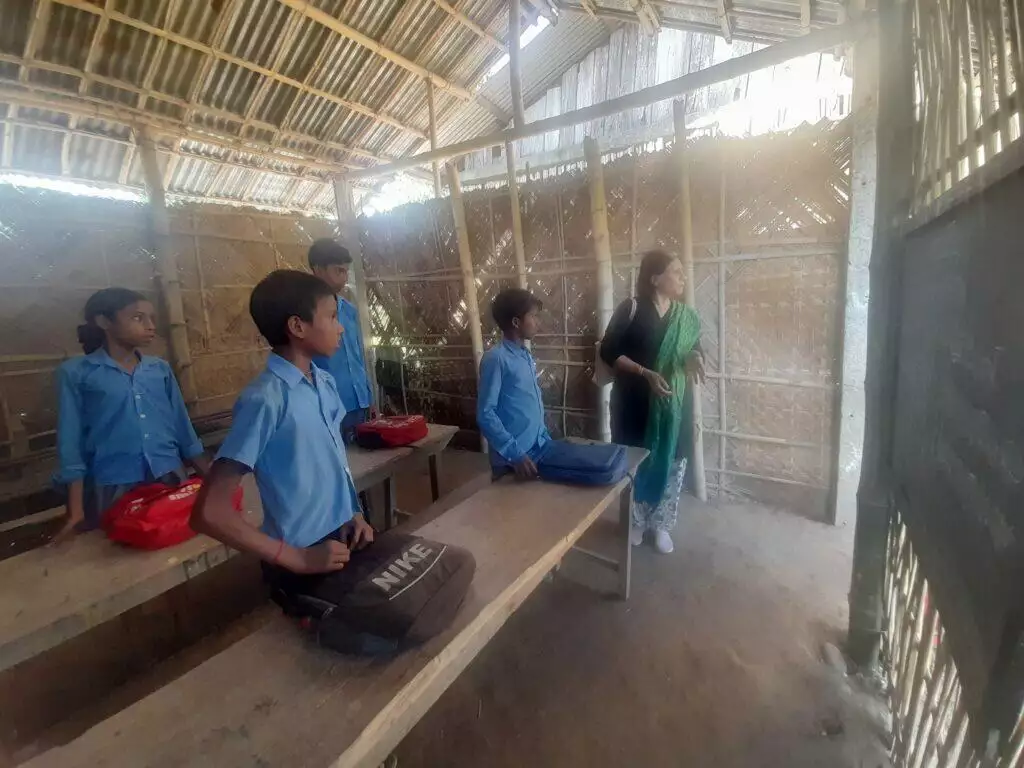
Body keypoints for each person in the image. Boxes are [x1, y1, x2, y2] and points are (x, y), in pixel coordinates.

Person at [191, 269, 374, 585]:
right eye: (331, 317)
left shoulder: (325, 383)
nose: (341, 327)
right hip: (300, 556)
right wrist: (297, 559)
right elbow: (210, 512)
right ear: (297, 326)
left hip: (342, 536)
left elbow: (334, 463)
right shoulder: (264, 400)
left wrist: (353, 513)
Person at [53, 287, 210, 543]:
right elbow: (70, 443)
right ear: (104, 322)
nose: (150, 326)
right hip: (114, 484)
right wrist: (76, 509)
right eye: (138, 318)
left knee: (174, 539)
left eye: (151, 318)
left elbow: (183, 428)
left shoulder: (158, 369)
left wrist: (209, 480)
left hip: (169, 476)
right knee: (125, 548)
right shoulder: (76, 374)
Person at [598, 250, 705, 555]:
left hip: (673, 407)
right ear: (655, 278)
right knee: (636, 461)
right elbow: (609, 351)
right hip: (634, 404)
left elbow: (694, 349)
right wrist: (644, 373)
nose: (683, 277)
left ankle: (660, 525)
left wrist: (696, 359)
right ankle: (636, 522)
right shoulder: (630, 309)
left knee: (672, 462)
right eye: (676, 272)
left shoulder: (686, 316)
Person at [476, 288, 551, 479]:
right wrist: (515, 453)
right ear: (516, 322)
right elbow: (485, 414)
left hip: (537, 449)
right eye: (533, 316)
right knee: (511, 509)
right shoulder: (496, 359)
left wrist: (544, 437)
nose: (538, 322)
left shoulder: (525, 355)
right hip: (513, 461)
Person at [308, 238, 373, 444]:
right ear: (318, 270)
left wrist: (368, 397)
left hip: (358, 400)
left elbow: (357, 356)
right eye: (338, 271)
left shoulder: (349, 310)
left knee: (365, 460)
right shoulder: (305, 314)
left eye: (346, 271)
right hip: (328, 404)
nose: (344, 278)